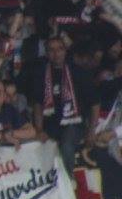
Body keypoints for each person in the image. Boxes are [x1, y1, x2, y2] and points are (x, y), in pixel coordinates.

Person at [27, 35, 98, 169]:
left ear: (65, 51)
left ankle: (68, 178)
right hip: (50, 125)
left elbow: (95, 103)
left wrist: (92, 131)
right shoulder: (41, 74)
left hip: (75, 124)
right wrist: (39, 130)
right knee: (34, 145)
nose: (56, 53)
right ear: (46, 53)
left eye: (60, 49)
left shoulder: (79, 72)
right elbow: (38, 104)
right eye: (51, 50)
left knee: (66, 144)